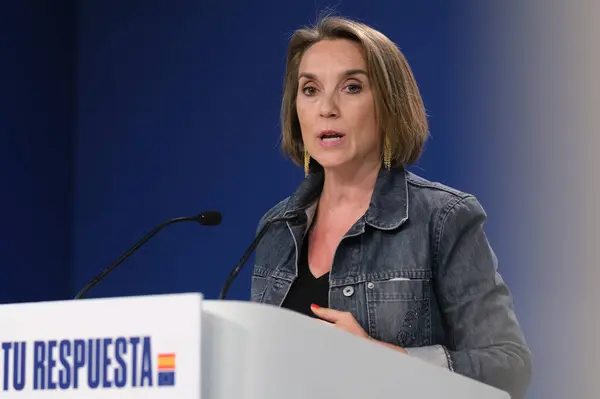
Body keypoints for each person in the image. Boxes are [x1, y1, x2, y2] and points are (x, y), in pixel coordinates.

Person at [250, 15, 532, 399]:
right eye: (310, 89)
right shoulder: (276, 229)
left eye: (351, 87)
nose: (326, 108)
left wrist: (384, 358)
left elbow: (509, 367)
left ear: (389, 104)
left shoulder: (442, 218)